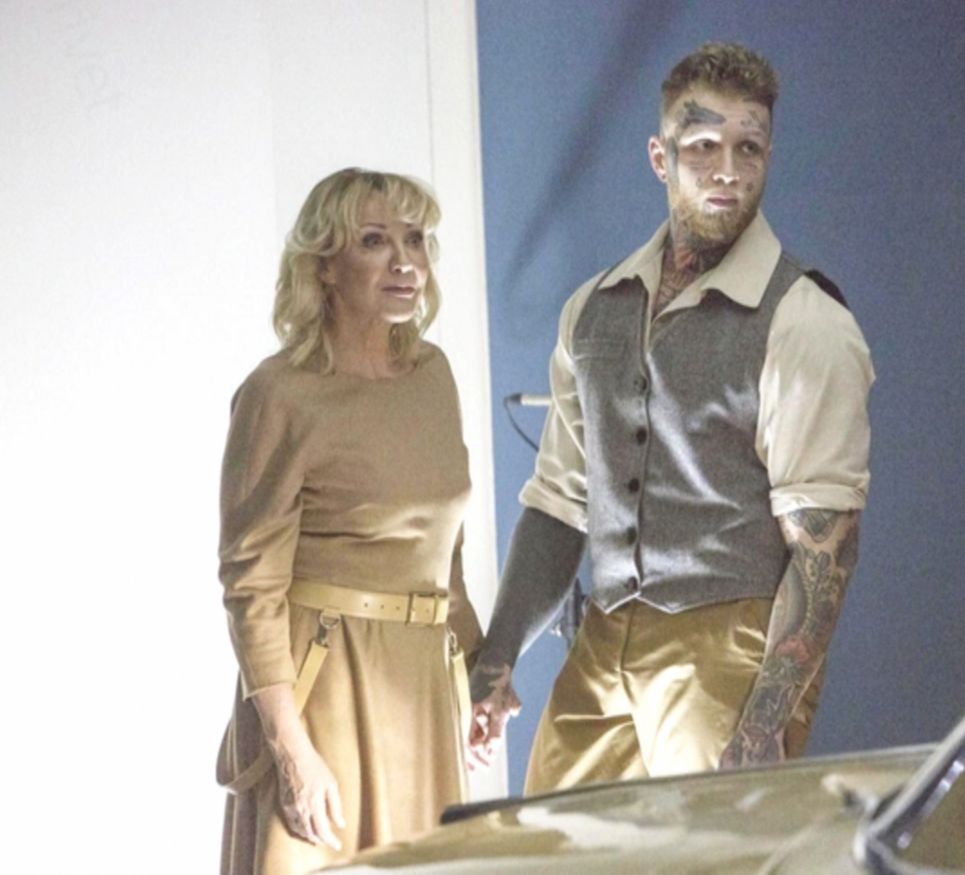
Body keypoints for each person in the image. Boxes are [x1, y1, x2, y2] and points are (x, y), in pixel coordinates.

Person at [466, 42, 874, 793]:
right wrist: (496, 658)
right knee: (557, 834)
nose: (727, 170)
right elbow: (559, 503)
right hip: (604, 638)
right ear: (661, 157)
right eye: (703, 146)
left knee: (713, 846)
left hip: (730, 645)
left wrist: (762, 724)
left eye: (748, 148)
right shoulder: (593, 309)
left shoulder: (803, 319)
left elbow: (825, 552)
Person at [215, 168, 484, 873]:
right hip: (324, 688)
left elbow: (445, 556)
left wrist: (480, 671)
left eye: (415, 240)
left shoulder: (433, 375)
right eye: (373, 241)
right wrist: (291, 750)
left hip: (422, 688)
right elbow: (251, 588)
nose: (404, 262)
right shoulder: (279, 393)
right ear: (324, 267)